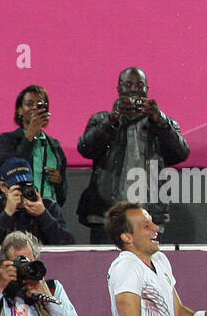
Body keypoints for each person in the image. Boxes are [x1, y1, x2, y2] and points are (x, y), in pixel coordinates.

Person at [77, 67, 190, 244]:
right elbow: (86, 149)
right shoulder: (102, 120)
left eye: (139, 85)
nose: (134, 90)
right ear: (119, 89)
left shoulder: (161, 123)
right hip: (107, 216)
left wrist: (159, 121)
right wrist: (112, 121)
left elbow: (180, 153)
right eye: (128, 84)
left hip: (149, 218)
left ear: (147, 89)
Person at [0, 158, 75, 246]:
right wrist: (6, 214)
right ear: (3, 187)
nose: (23, 191)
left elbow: (67, 245)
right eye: (18, 187)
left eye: (27, 185)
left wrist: (43, 215)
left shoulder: (49, 206)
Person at [0, 85, 68, 205]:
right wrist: (30, 134)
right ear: (19, 110)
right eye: (29, 104)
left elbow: (63, 194)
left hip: (49, 213)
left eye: (40, 105)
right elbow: (11, 172)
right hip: (18, 211)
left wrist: (59, 182)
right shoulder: (7, 140)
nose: (35, 108)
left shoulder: (54, 146)